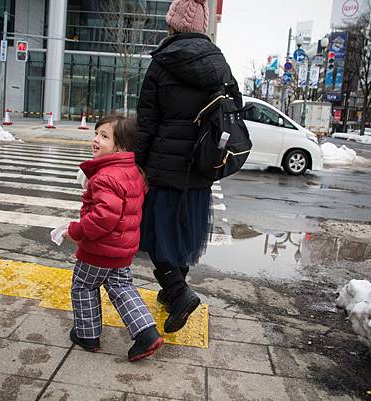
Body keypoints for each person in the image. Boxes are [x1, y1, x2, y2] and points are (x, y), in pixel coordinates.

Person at [135, 0, 242, 333]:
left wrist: (138, 163)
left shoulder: (161, 63)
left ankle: (179, 293)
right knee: (181, 235)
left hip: (164, 166)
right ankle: (173, 292)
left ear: (173, 25)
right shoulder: (220, 64)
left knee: (156, 234)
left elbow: (147, 121)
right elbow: (234, 108)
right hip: (200, 167)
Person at [64, 115, 164, 362]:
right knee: (122, 287)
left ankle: (87, 335)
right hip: (122, 249)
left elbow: (103, 219)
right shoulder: (132, 171)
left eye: (104, 137)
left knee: (83, 286)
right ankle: (147, 334)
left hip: (99, 250)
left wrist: (76, 231)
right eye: (96, 133)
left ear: (121, 146)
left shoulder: (106, 176)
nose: (96, 140)